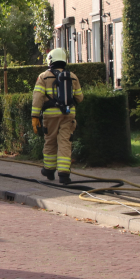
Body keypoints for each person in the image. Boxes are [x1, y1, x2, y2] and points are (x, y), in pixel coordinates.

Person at [31, 48, 83, 185]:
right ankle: (64, 175)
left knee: (50, 141)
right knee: (65, 142)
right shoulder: (72, 76)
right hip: (68, 115)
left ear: (50, 59)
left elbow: (37, 98)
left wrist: (35, 116)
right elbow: (80, 98)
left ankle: (49, 170)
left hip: (50, 116)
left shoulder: (43, 76)